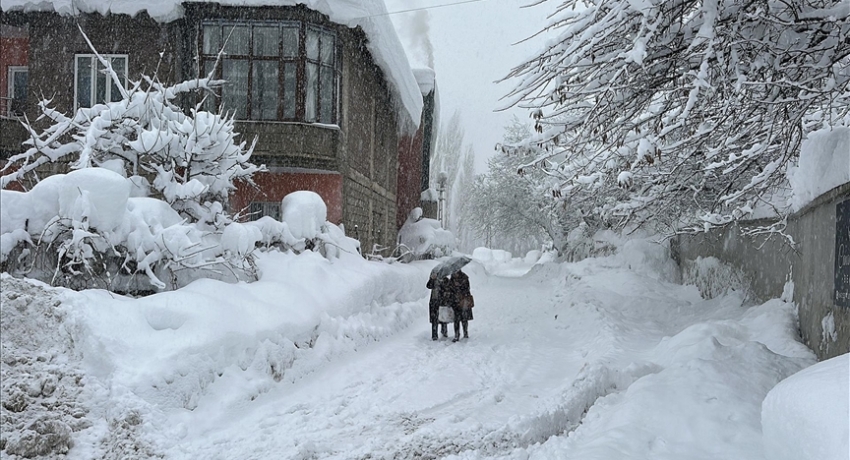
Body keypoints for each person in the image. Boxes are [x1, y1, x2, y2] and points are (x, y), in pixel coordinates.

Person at [449, 269, 473, 342]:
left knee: (464, 318)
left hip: (463, 300)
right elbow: (450, 289)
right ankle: (456, 334)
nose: (455, 274)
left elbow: (467, 289)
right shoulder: (452, 278)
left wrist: (459, 287)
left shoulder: (465, 277)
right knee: (456, 319)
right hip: (455, 301)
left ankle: (465, 332)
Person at [426, 273, 450, 340]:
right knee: (434, 319)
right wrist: (432, 279)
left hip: (443, 302)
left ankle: (444, 332)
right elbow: (428, 286)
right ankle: (434, 335)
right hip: (434, 301)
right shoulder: (434, 280)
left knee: (443, 318)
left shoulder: (446, 280)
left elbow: (448, 289)